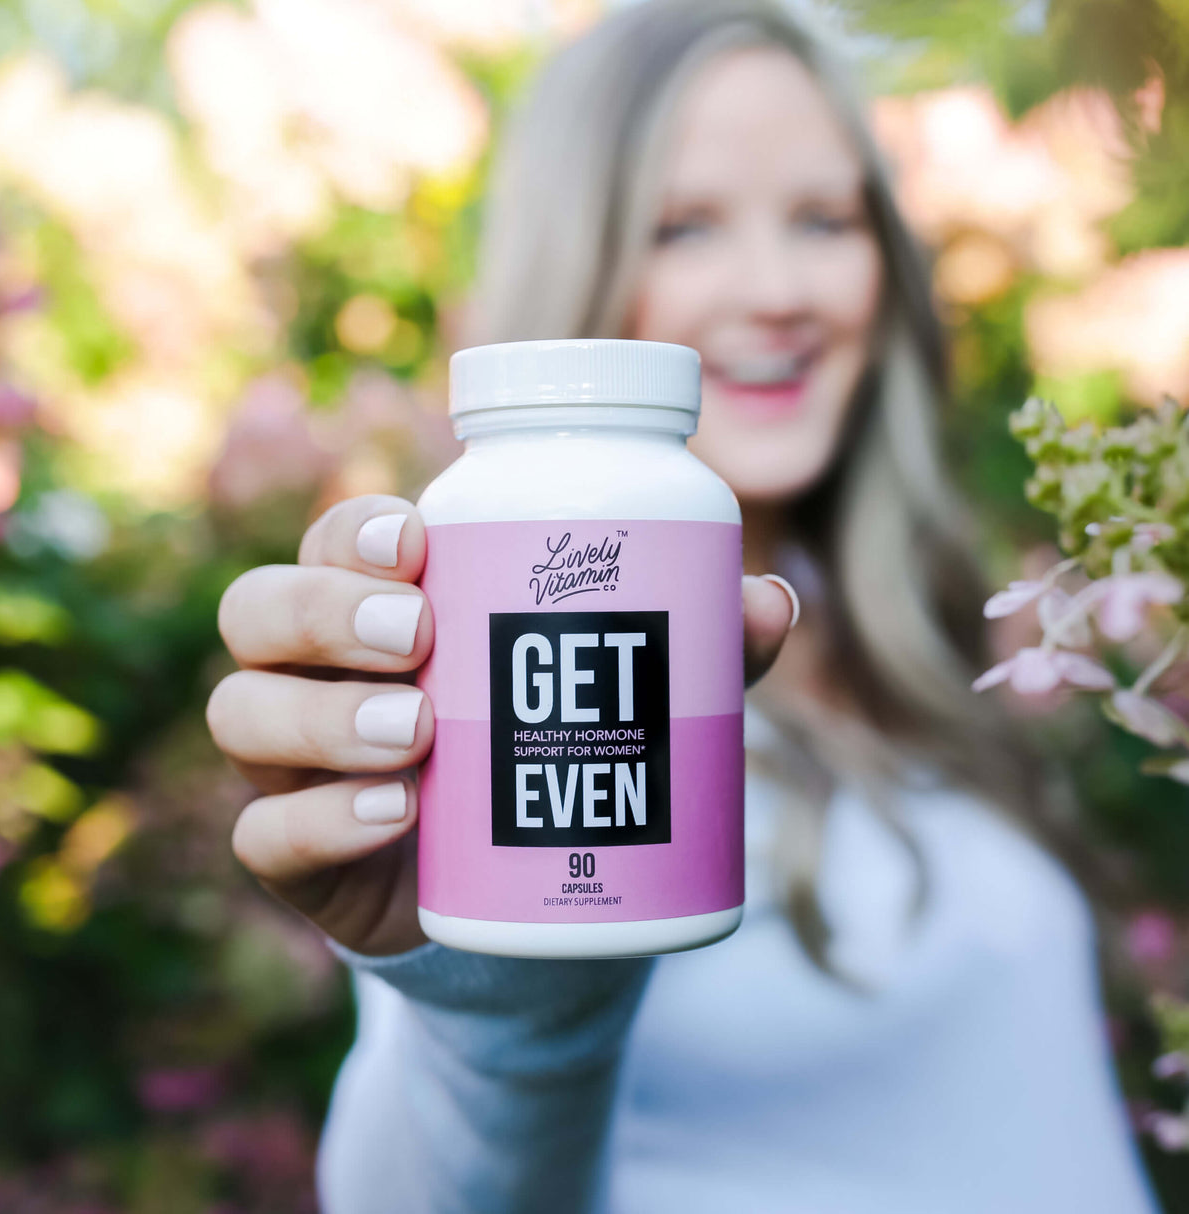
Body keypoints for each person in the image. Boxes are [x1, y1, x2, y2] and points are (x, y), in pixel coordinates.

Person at [205, 1, 1161, 1210]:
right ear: (576, 261)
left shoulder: (928, 641)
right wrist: (490, 998)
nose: (774, 291)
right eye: (683, 224)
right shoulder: (484, 654)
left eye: (821, 217)